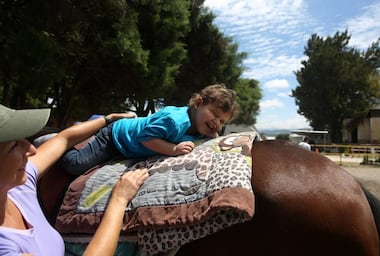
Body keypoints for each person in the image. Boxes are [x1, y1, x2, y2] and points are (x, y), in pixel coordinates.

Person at [0, 104, 149, 256]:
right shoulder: (4, 247)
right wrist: (119, 199)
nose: (32, 150)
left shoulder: (16, 188)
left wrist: (107, 120)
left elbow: (63, 139)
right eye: (14, 145)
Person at [60, 83, 240, 175]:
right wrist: (173, 149)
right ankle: (68, 137)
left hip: (131, 147)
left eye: (222, 122)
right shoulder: (174, 120)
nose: (217, 123)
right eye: (214, 115)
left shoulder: (200, 127)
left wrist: (213, 133)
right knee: (74, 165)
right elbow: (146, 138)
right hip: (117, 137)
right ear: (199, 103)